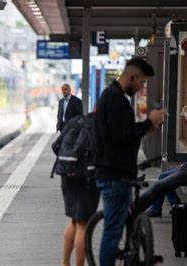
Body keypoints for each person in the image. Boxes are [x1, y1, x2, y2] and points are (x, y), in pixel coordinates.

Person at [95, 57, 165, 266]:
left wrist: (146, 126)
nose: (142, 86)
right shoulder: (115, 99)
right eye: (142, 82)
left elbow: (123, 134)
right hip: (115, 176)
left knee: (116, 226)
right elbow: (122, 136)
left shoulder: (113, 96)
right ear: (132, 77)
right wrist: (149, 123)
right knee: (112, 233)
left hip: (117, 173)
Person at [55, 110, 100, 266]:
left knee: (75, 221)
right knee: (83, 224)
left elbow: (56, 146)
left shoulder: (76, 121)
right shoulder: (100, 126)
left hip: (66, 174)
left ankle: (65, 262)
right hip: (85, 178)